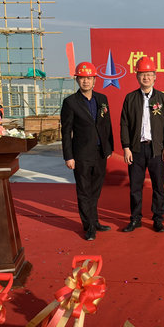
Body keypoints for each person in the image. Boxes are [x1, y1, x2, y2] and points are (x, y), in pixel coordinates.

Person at [61, 61, 114, 241]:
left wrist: (109, 147)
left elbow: (107, 125)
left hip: (100, 153)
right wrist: (69, 156)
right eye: (82, 78)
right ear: (77, 80)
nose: (86, 81)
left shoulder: (102, 99)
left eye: (89, 78)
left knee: (95, 190)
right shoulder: (70, 102)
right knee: (84, 191)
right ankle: (89, 227)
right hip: (81, 154)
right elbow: (66, 131)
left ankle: (95, 221)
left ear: (94, 80)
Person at [120, 56, 164, 233]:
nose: (146, 77)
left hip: (156, 149)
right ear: (137, 76)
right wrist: (126, 147)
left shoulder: (163, 99)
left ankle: (158, 219)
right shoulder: (130, 98)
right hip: (136, 149)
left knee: (158, 187)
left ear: (155, 76)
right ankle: (135, 219)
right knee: (135, 187)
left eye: (149, 74)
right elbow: (124, 123)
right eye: (143, 74)